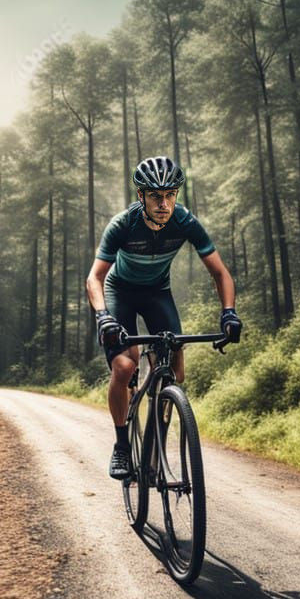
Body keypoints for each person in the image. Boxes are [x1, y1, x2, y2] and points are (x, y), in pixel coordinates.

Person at [85, 155, 242, 479]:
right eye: (156, 196)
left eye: (170, 195)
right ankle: (122, 446)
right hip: (120, 291)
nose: (164, 203)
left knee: (175, 373)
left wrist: (229, 312)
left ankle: (155, 435)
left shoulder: (184, 222)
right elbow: (95, 278)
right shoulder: (123, 225)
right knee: (124, 366)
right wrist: (103, 317)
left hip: (157, 291)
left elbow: (220, 273)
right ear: (141, 195)